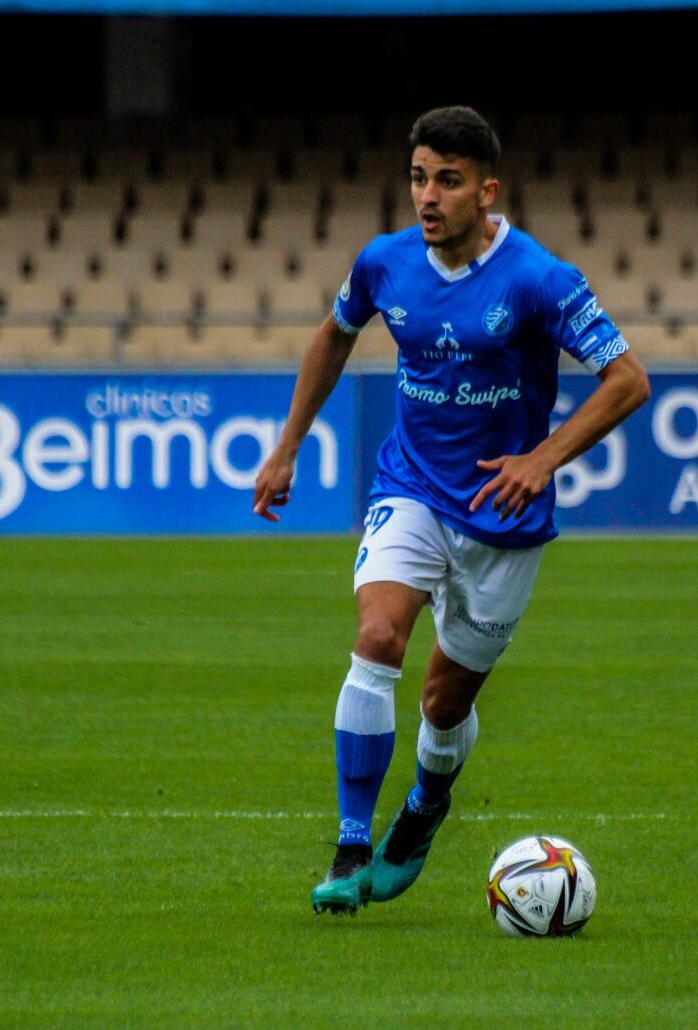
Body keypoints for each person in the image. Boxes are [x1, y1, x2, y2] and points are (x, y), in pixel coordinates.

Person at [251, 106, 650, 915]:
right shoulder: (384, 263)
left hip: (501, 519)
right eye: (419, 178)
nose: (428, 196)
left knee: (444, 703)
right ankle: (352, 843)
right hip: (411, 487)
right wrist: (286, 445)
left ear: (487, 191)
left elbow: (629, 381)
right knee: (376, 637)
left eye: (448, 181)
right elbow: (334, 335)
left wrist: (543, 458)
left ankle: (427, 805)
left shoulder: (541, 278)